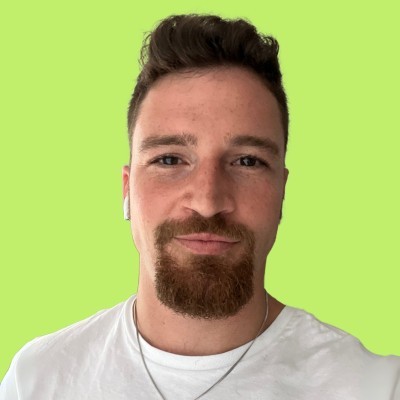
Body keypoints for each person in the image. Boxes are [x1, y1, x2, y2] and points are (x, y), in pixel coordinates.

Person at [1, 14, 399, 400]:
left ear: (281, 191)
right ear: (127, 190)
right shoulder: (37, 380)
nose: (208, 202)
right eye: (169, 160)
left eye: (247, 161)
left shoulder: (376, 387)